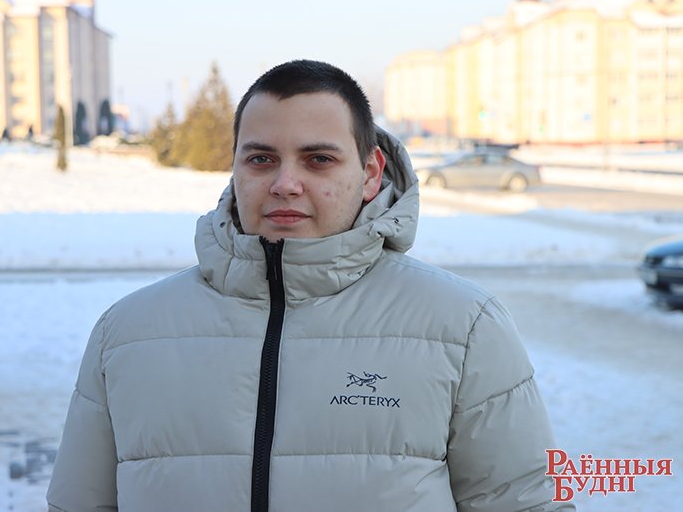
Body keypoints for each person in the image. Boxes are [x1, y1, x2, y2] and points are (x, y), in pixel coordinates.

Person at [47, 60, 572, 512]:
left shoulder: (463, 326)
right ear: (236, 169)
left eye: (319, 159)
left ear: (371, 173)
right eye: (261, 159)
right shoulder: (128, 333)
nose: (285, 184)